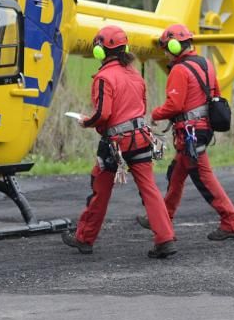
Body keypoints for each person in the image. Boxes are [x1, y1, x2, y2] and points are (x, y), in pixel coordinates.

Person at [62, 25, 177, 259]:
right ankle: (165, 239)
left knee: (100, 189)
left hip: (115, 144)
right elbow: (141, 107)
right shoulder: (136, 74)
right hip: (141, 139)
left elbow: (103, 114)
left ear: (100, 51)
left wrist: (87, 121)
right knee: (150, 190)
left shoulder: (104, 78)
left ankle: (84, 238)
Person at [138, 24, 234, 242]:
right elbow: (216, 94)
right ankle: (163, 217)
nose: (165, 53)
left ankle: (231, 222)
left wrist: (154, 115)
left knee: (204, 179)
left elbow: (174, 106)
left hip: (190, 134)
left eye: (167, 48)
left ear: (175, 46)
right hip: (201, 129)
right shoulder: (206, 64)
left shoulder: (179, 70)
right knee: (176, 174)